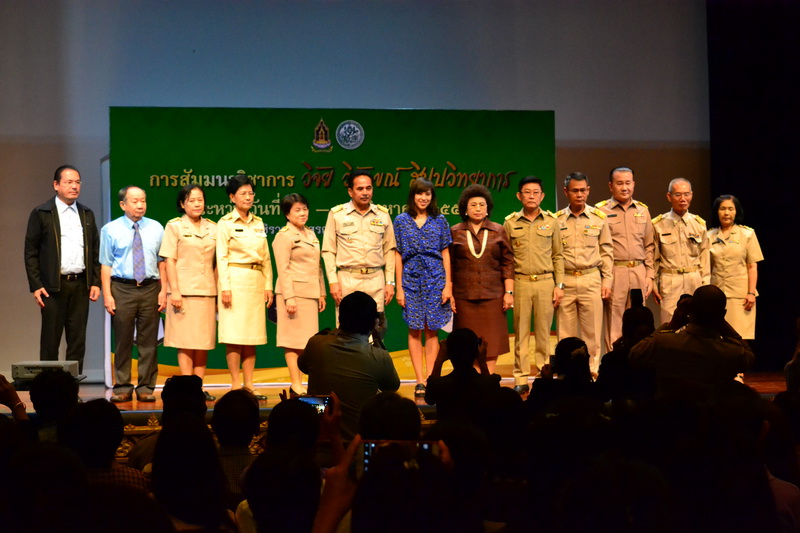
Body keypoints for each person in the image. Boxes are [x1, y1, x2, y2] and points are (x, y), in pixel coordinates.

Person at [24, 165, 100, 374]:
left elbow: (95, 250)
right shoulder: (42, 213)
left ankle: (72, 393)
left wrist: (95, 281)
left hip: (80, 285)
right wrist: (36, 285)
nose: (74, 186)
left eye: (77, 182)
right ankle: (49, 392)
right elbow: (30, 251)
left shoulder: (86, 214)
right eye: (68, 182)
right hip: (52, 287)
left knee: (77, 343)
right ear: (56, 185)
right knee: (50, 343)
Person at [298, 291, 400, 441]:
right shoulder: (379, 356)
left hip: (317, 443)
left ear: (340, 319)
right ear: (375, 323)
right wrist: (378, 339)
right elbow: (391, 387)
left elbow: (303, 365)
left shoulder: (315, 344)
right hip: (357, 446)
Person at [629, 285, 755, 402]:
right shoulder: (730, 352)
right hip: (710, 421)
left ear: (691, 311)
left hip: (670, 419)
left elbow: (635, 354)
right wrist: (721, 321)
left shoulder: (665, 342)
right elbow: (749, 358)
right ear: (722, 314)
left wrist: (673, 324)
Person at [100, 186, 166, 403]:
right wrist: (108, 295)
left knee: (148, 342)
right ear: (123, 204)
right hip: (122, 288)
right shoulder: (110, 230)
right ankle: (122, 386)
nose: (140, 205)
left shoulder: (156, 227)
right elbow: (106, 265)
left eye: (143, 201)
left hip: (150, 287)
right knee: (123, 340)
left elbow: (161, 262)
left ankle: (146, 387)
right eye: (135, 201)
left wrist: (164, 290)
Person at [504, 176, 565, 393]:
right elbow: (507, 259)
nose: (531, 196)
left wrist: (560, 285)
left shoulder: (552, 221)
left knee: (543, 333)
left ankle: (542, 375)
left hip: (546, 282)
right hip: (520, 282)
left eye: (536, 192)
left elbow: (558, 256)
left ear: (542, 196)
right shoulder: (510, 222)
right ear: (519, 196)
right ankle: (520, 378)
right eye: (527, 192)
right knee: (520, 333)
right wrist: (508, 290)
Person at [394, 178, 453, 396]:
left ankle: (431, 378)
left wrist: (448, 285)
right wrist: (399, 287)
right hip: (410, 280)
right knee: (414, 328)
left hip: (435, 279)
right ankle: (419, 380)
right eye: (420, 194)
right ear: (413, 196)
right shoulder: (401, 220)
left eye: (428, 194)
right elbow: (398, 254)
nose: (424, 198)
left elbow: (446, 253)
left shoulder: (440, 220)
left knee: (432, 330)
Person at [217, 173, 273, 400]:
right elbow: (221, 257)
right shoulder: (225, 223)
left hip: (256, 280)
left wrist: (268, 285)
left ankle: (250, 383)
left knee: (252, 336)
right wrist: (225, 287)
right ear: (232, 197)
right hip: (235, 279)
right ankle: (235, 383)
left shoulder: (259, 222)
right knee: (234, 335)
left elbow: (266, 257)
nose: (248, 197)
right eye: (243, 194)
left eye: (251, 193)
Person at [159, 184, 218, 401]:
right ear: (182, 204)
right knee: (184, 341)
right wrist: (174, 291)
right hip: (182, 291)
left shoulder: (214, 228)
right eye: (191, 200)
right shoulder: (174, 226)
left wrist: (218, 290)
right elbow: (169, 260)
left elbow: (217, 263)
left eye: (200, 199)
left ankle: (198, 387)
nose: (197, 204)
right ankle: (187, 387)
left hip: (206, 291)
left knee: (203, 342)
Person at [321, 171, 396, 337]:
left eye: (368, 188)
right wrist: (333, 282)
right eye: (360, 188)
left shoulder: (382, 214)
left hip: (376, 279)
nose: (365, 192)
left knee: (376, 330)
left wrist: (390, 281)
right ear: (350, 191)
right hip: (348, 280)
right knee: (348, 331)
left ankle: (373, 361)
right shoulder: (337, 214)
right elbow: (328, 251)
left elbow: (390, 250)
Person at [450, 184, 514, 375]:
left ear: (488, 208)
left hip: (493, 297)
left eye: (482, 205)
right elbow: (449, 266)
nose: (478, 208)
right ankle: (470, 381)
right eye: (473, 205)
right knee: (465, 345)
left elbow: (508, 264)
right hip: (464, 298)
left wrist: (509, 293)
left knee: (491, 343)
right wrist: (450, 294)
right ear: (465, 209)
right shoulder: (455, 231)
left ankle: (487, 380)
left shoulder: (499, 230)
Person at [555, 172, 613, 374]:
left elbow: (607, 252)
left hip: (591, 278)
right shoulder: (557, 220)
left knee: (592, 334)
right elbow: (554, 255)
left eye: (583, 190)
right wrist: (558, 285)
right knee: (565, 335)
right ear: (566, 192)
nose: (579, 194)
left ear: (588, 191)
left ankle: (592, 375)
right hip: (567, 280)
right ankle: (566, 374)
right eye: (575, 190)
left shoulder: (599, 218)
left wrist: (607, 281)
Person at [272, 193, 326, 395]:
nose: (302, 213)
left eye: (305, 209)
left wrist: (321, 292)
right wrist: (289, 297)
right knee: (292, 341)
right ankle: (295, 383)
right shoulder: (284, 236)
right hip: (292, 294)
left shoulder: (311, 234)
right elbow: (283, 268)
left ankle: (303, 383)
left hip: (310, 294)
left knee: (307, 343)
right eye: (297, 210)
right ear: (287, 214)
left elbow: (317, 266)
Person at [596, 167, 655, 350]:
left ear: (634, 184)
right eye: (619, 183)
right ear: (610, 186)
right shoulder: (601, 211)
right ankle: (614, 364)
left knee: (639, 319)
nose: (624, 187)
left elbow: (649, 246)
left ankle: (637, 361)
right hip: (615, 271)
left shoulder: (643, 211)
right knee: (614, 320)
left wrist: (650, 275)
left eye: (628, 183)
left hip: (638, 271)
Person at [652, 177, 710, 324]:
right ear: (669, 197)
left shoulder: (699, 224)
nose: (683, 199)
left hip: (694, 278)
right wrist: (653, 284)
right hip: (671, 279)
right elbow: (654, 258)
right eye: (677, 194)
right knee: (670, 323)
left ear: (692, 195)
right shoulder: (658, 224)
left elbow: (704, 257)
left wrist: (705, 285)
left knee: (696, 323)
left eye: (686, 194)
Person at [708, 194, 764, 340]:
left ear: (736, 211)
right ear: (717, 212)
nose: (726, 213)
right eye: (723, 209)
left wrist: (751, 293)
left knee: (739, 340)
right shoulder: (709, 236)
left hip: (741, 297)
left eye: (730, 209)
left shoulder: (747, 234)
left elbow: (752, 266)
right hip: (717, 296)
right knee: (717, 340)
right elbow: (706, 268)